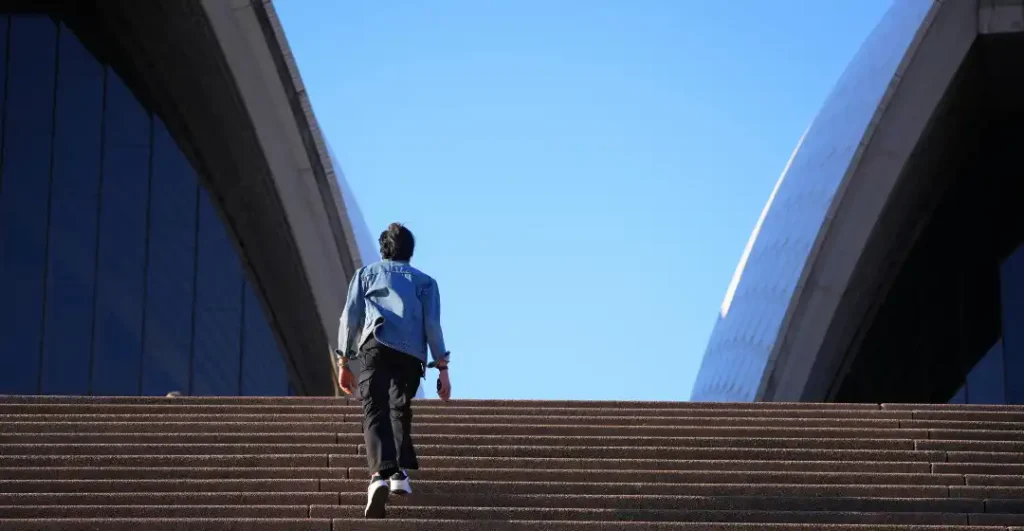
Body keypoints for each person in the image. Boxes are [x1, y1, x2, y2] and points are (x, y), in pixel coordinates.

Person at [335, 222, 451, 519]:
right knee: (399, 407)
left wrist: (343, 361)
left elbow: (350, 318)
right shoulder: (425, 282)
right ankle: (398, 474)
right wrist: (442, 367)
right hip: (410, 354)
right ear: (410, 251)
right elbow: (432, 326)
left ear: (383, 249)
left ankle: (378, 477)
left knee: (375, 407)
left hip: (376, 343)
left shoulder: (365, 274)